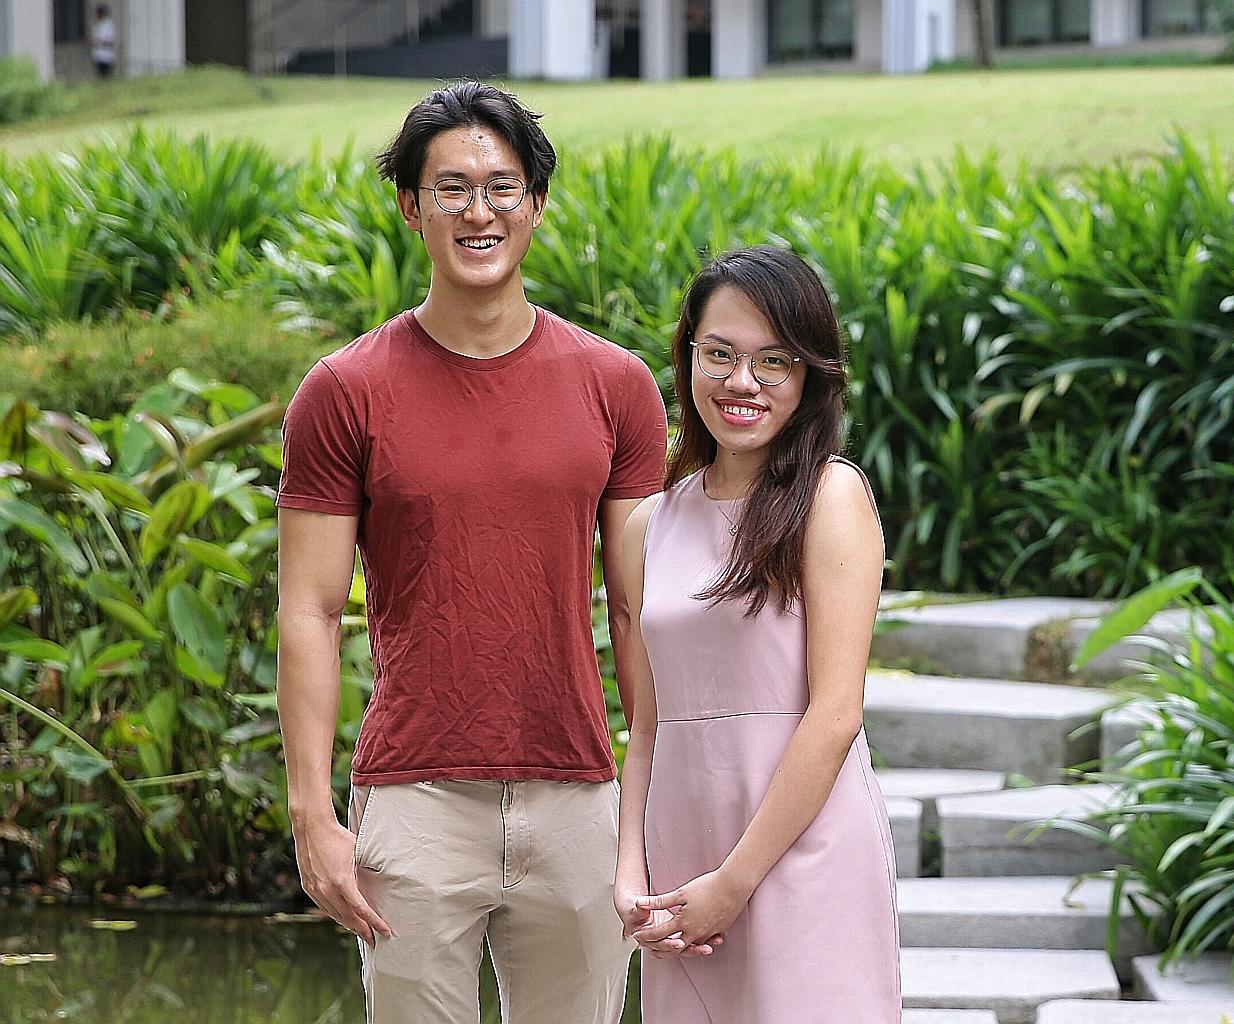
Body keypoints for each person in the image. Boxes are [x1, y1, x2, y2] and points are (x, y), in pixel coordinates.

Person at [275, 81, 667, 1024]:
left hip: (578, 792)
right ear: (411, 207)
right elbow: (310, 611)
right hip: (414, 797)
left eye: (500, 187)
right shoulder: (344, 392)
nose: (478, 212)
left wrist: (656, 795)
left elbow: (638, 608)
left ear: (536, 202)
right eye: (450, 189)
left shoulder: (618, 387)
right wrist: (311, 813)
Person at [612, 246, 901, 1021]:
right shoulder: (649, 525)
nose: (743, 382)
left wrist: (734, 884)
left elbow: (836, 716)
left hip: (801, 850)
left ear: (810, 377)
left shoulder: (831, 497)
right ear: (688, 359)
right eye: (720, 354)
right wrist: (630, 869)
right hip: (683, 859)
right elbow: (648, 727)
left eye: (774, 361)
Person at [90, 5, 117, 79]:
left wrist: (97, 42)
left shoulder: (108, 24)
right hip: (98, 56)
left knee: (106, 77)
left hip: (107, 56)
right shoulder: (99, 24)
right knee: (100, 77)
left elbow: (111, 41)